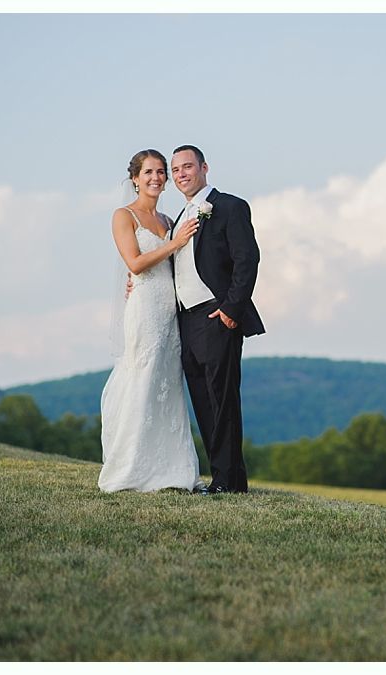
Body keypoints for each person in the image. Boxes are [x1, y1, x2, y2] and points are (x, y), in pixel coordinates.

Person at [98, 149, 205, 493]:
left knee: (167, 384)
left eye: (162, 172)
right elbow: (135, 262)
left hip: (170, 311)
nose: (157, 178)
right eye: (149, 172)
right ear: (135, 178)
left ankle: (172, 470)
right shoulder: (123, 215)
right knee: (141, 379)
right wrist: (174, 244)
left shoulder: (168, 220)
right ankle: (131, 467)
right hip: (144, 309)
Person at [169, 144, 264, 494]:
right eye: (175, 169)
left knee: (222, 399)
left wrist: (230, 311)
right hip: (186, 322)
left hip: (216, 315)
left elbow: (247, 260)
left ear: (204, 168)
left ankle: (228, 481)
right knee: (203, 402)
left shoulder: (229, 207)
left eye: (187, 166)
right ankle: (225, 479)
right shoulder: (178, 219)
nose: (181, 173)